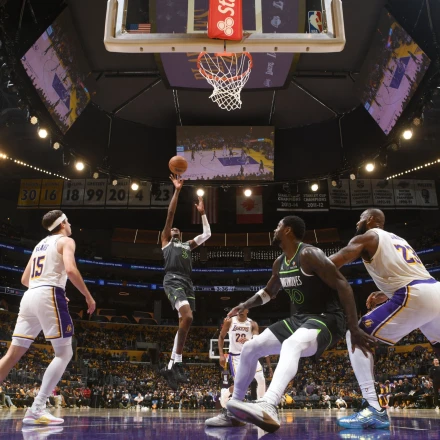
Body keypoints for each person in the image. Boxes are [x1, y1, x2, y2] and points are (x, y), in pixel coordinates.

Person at [223, 216, 373, 433]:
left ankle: (269, 404)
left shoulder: (309, 254)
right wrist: (244, 304)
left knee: (291, 344)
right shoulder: (279, 263)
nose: (274, 229)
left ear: (288, 230)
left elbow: (343, 286)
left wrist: (354, 327)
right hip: (299, 319)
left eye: (278, 226)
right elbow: (269, 292)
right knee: (250, 347)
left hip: (327, 318)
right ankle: (233, 410)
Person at [329, 208, 440, 429]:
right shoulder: (399, 239)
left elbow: (335, 261)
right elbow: (408, 272)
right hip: (434, 289)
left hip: (415, 294)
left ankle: (372, 407)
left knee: (357, 333)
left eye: (360, 219)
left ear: (370, 220)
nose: (357, 223)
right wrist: (385, 293)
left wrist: (304, 268)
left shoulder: (367, 236)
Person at [0, 210, 95, 425]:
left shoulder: (39, 245)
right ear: (62, 224)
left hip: (30, 296)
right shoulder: (66, 241)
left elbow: (25, 279)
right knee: (64, 353)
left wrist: (46, 288)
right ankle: (37, 408)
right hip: (48, 294)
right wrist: (88, 296)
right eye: (68, 221)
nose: (70, 224)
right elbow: (71, 270)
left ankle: (37, 408)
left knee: (12, 355)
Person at [160, 175, 211, 390]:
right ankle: (177, 363)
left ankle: (170, 365)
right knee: (188, 316)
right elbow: (170, 214)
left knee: (185, 322)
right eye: (172, 229)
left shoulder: (188, 245)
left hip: (187, 282)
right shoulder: (166, 242)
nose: (174, 229)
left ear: (180, 234)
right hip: (172, 279)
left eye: (176, 230)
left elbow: (207, 234)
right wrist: (178, 191)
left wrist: (203, 213)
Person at [205, 311, 272, 427]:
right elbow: (221, 337)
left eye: (244, 307)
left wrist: (249, 341)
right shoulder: (230, 321)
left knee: (261, 379)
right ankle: (225, 393)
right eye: (239, 308)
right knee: (239, 386)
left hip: (250, 354)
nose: (241, 310)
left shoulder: (252, 324)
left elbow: (257, 341)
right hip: (236, 357)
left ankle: (261, 408)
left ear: (247, 310)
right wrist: (221, 355)